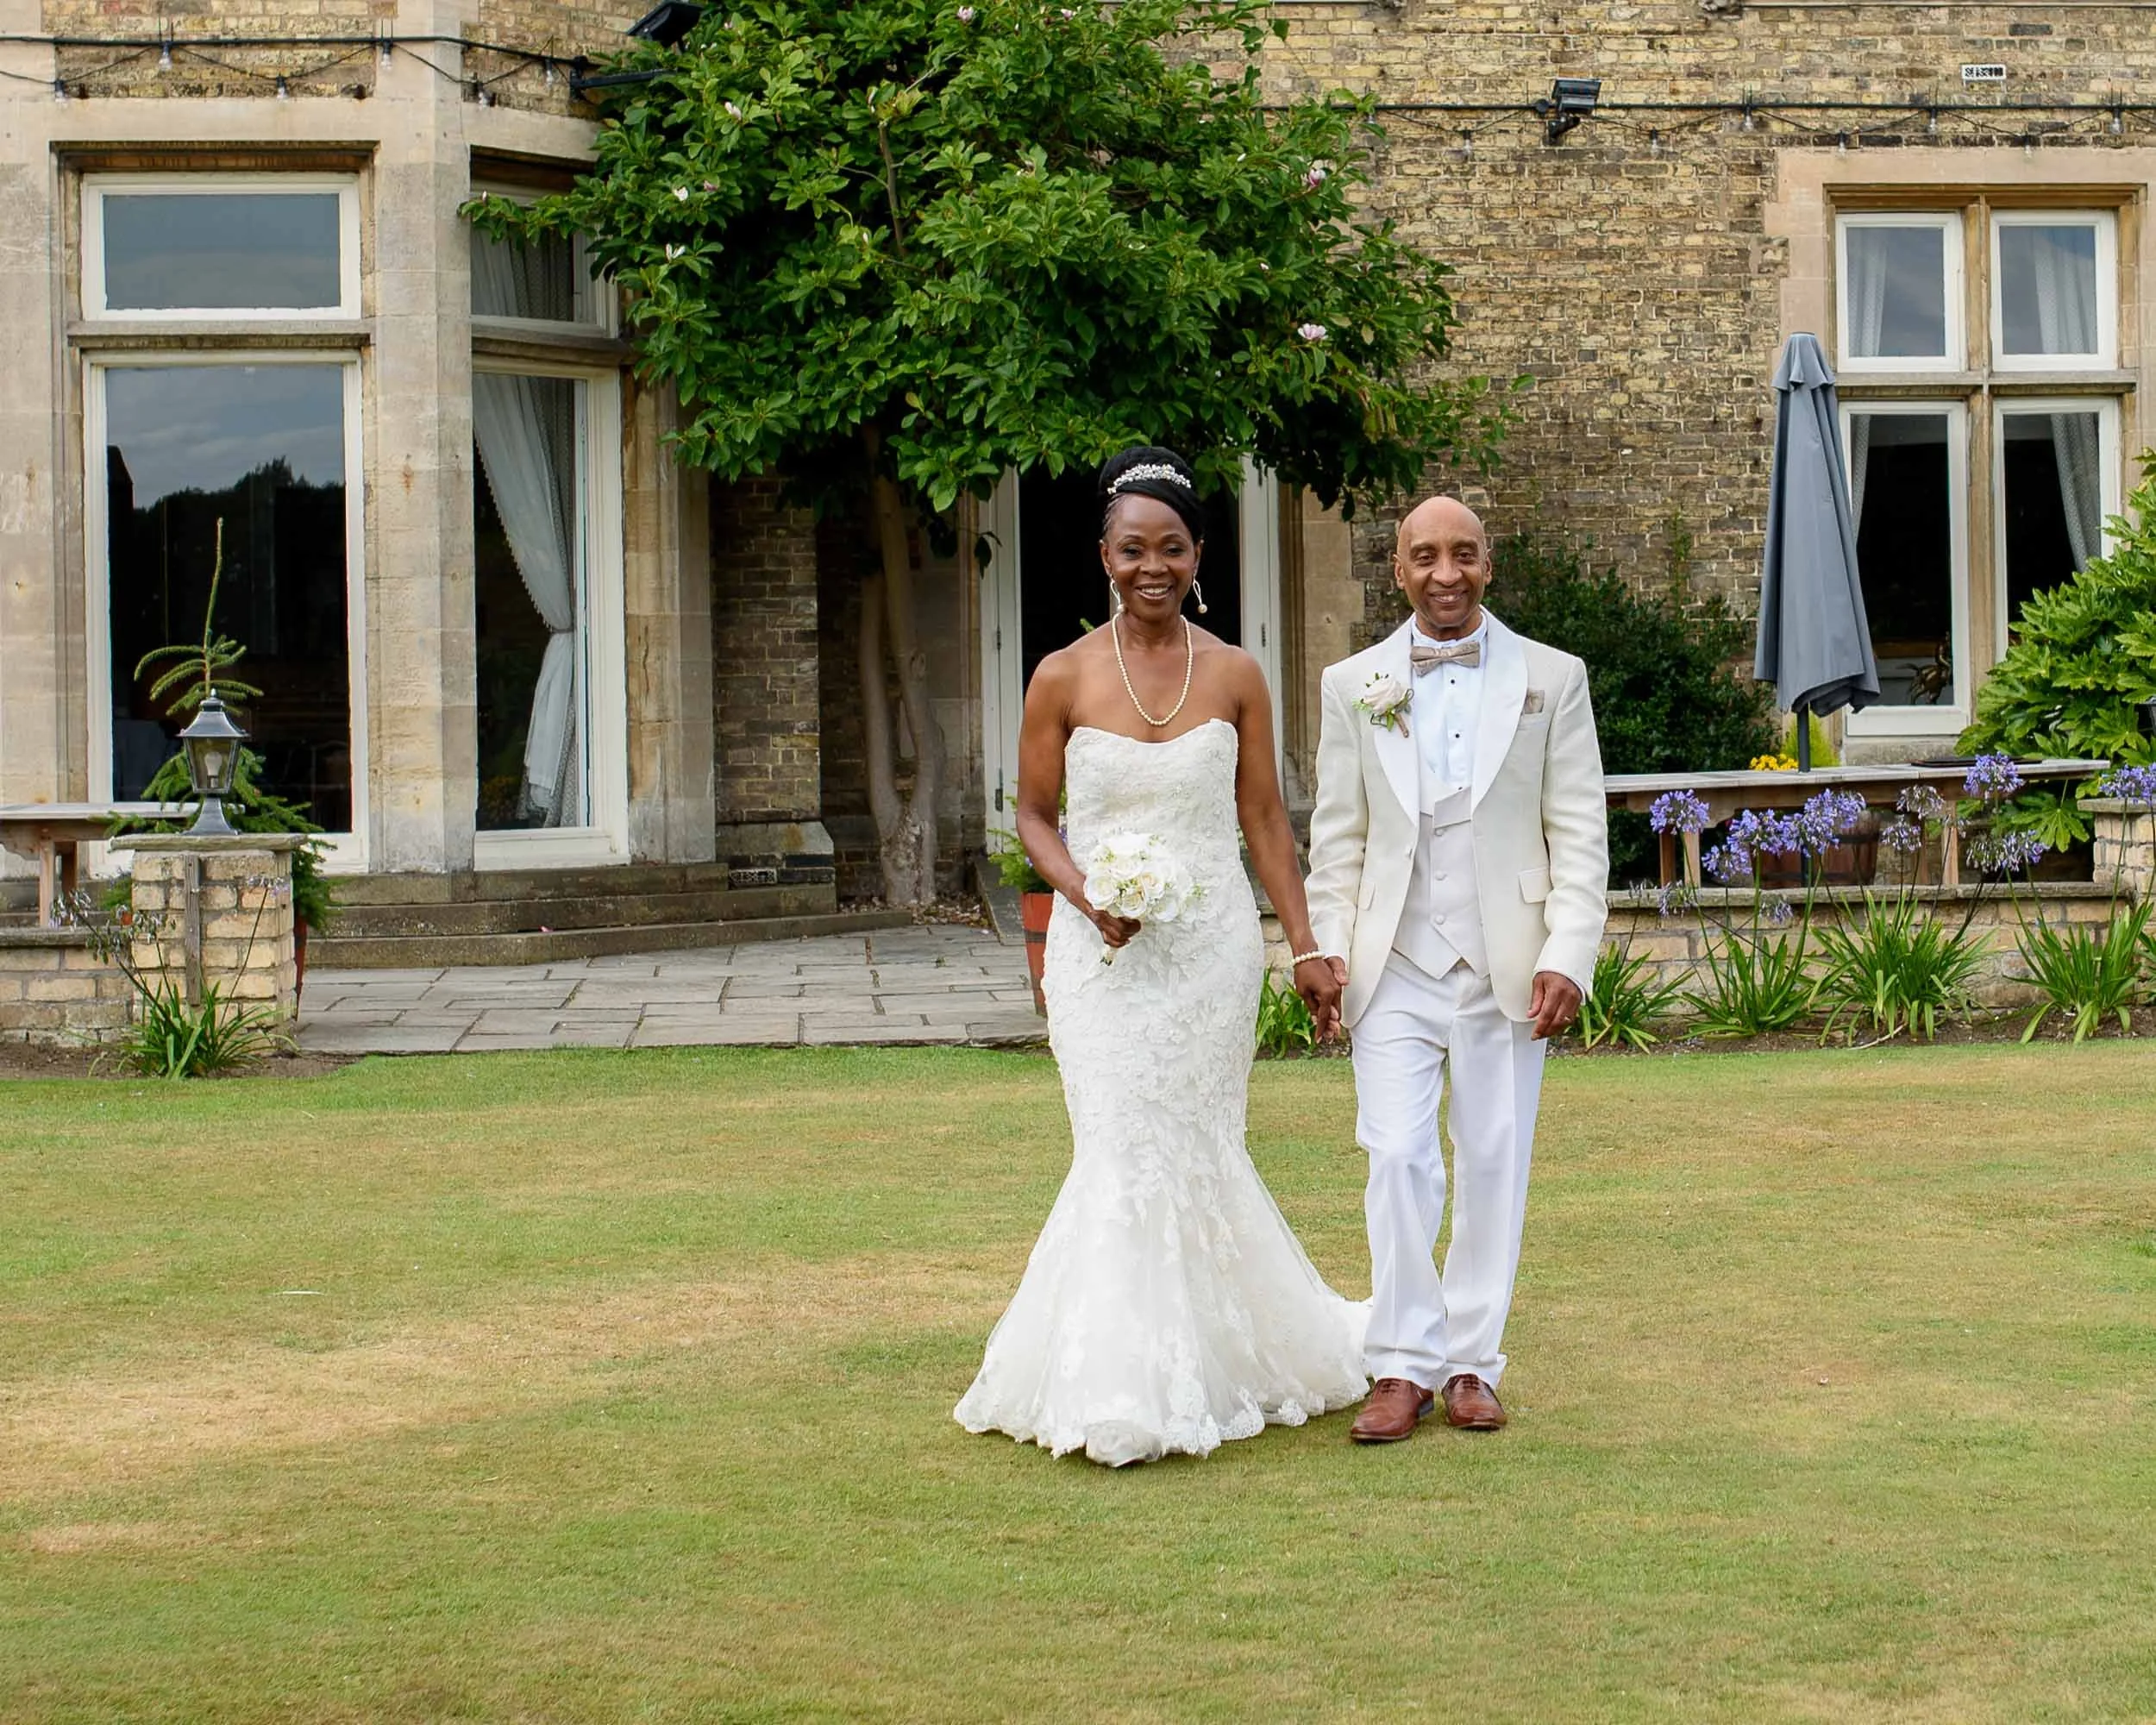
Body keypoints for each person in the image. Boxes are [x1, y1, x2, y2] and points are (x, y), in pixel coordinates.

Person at [955, 446, 1367, 1467]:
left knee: (1195, 1143)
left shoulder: (1234, 673)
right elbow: (1035, 815)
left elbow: (1264, 818)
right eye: (1132, 548)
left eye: (1171, 548)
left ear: (1196, 555)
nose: (1152, 565)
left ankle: (1209, 1362)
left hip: (1208, 953)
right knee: (1117, 1143)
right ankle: (1115, 1379)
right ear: (1103, 555)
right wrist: (1085, 895)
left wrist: (1304, 944)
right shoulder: (1058, 675)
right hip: (1100, 963)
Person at [1304, 493, 1608, 1445]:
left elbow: (1580, 833)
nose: (1446, 573)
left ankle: (1473, 1359)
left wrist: (1568, 953)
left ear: (1488, 562)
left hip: (1507, 963)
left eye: (1463, 554)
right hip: (1391, 961)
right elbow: (1338, 838)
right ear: (1396, 569)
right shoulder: (1353, 682)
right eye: (1425, 556)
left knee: (1490, 1160)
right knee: (1396, 1156)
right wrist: (1326, 945)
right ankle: (1400, 1360)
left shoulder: (1551, 679)